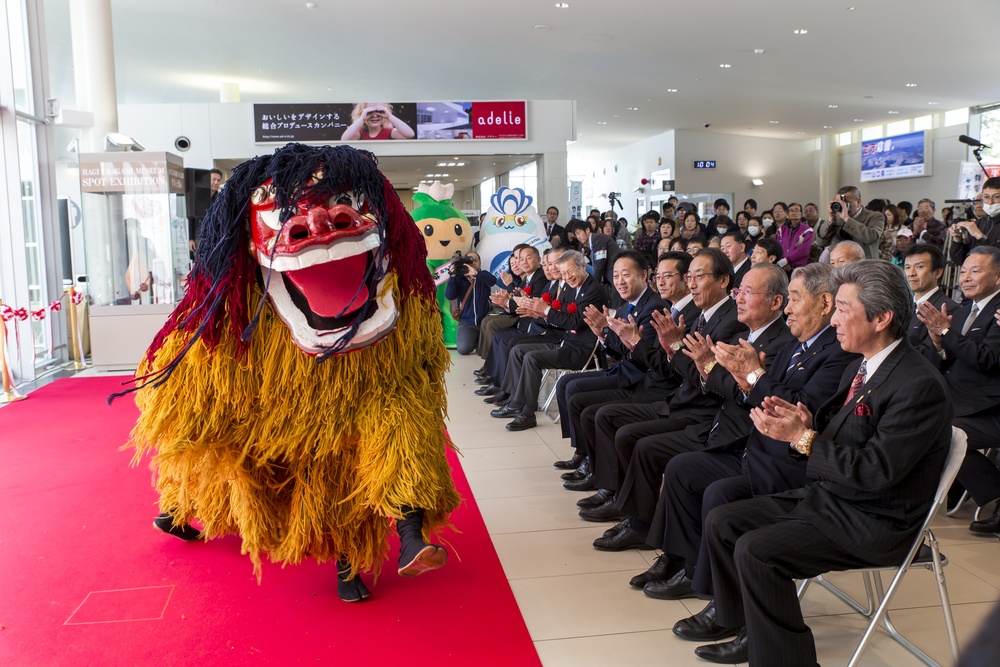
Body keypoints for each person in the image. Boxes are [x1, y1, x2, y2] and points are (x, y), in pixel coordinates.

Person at [679, 260, 951, 665]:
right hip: (836, 497)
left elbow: (876, 471)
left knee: (756, 550)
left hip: (876, 518)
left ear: (882, 318)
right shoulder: (864, 365)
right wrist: (805, 424)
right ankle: (744, 625)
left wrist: (801, 437)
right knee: (723, 520)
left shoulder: (917, 383)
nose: (835, 320)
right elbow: (834, 433)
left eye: (843, 310)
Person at [637, 263, 856, 605]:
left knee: (717, 494)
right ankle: (680, 559)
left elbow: (796, 408)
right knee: (682, 469)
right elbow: (763, 391)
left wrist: (750, 375)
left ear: (824, 304)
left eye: (794, 300)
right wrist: (745, 378)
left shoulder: (835, 352)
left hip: (784, 460)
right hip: (756, 443)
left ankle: (706, 584)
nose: (788, 310)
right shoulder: (797, 345)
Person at [553, 251, 668, 465]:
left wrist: (610, 333)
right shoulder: (627, 305)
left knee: (576, 393)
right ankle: (582, 451)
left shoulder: (653, 308)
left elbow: (640, 358)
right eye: (616, 276)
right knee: (566, 383)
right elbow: (621, 350)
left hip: (637, 379)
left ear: (644, 276)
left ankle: (589, 458)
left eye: (625, 275)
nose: (620, 282)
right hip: (626, 369)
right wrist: (603, 335)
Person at [917, 246, 1000, 535]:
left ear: (998, 277)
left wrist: (946, 333)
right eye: (963, 271)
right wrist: (939, 345)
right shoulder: (964, 311)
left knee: (947, 431)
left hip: (988, 405)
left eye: (975, 271)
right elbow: (951, 359)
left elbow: (987, 360)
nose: (965, 278)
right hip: (957, 397)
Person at [490, 250, 608, 431]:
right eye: (564, 273)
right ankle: (519, 404)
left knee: (531, 357)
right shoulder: (571, 287)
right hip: (567, 343)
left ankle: (526, 412)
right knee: (525, 353)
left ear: (583, 267)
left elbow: (575, 321)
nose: (568, 277)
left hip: (580, 350)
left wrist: (545, 311)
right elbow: (561, 316)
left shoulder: (593, 290)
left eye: (571, 271)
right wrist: (539, 311)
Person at [903, 243, 958, 365]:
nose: (911, 273)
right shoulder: (902, 305)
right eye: (907, 267)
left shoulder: (948, 308)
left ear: (937, 272)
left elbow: (931, 354)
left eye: (919, 267)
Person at [814, 185, 886, 259]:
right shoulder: (836, 218)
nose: (843, 206)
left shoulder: (875, 216)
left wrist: (846, 218)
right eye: (840, 203)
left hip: (863, 266)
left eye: (846, 203)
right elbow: (821, 242)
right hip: (839, 266)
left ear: (858, 202)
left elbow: (871, 237)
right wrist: (830, 218)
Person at [444, 254, 495, 355]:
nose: (472, 263)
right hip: (467, 322)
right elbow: (450, 295)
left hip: (485, 321)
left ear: (480, 263)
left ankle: (477, 339)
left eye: (475, 260)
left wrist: (476, 274)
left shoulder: (483, 275)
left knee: (486, 351)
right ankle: (474, 338)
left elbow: (492, 281)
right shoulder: (459, 279)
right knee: (463, 349)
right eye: (469, 261)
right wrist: (453, 277)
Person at [950, 178, 1000, 266]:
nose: (990, 202)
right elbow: (960, 260)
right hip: (976, 275)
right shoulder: (978, 224)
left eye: (996, 197)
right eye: (986, 197)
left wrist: (979, 236)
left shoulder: (975, 229)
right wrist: (957, 240)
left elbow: (996, 257)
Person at [570, 218, 620, 295]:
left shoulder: (597, 238)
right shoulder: (593, 241)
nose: (578, 237)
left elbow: (600, 262)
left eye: (579, 233)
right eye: (576, 235)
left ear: (587, 230)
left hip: (616, 274)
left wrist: (594, 283)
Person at [340, 103, 415, 140]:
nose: (375, 115)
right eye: (370, 112)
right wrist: (362, 118)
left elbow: (410, 134)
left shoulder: (389, 132)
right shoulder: (361, 133)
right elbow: (344, 139)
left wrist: (389, 116)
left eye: (380, 112)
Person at [774, 202, 813, 272]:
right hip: (782, 266)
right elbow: (777, 247)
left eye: (796, 210)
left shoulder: (807, 230)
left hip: (799, 267)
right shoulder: (781, 230)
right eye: (791, 210)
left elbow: (804, 250)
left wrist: (787, 260)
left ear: (801, 214)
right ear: (788, 214)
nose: (794, 212)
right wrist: (782, 262)